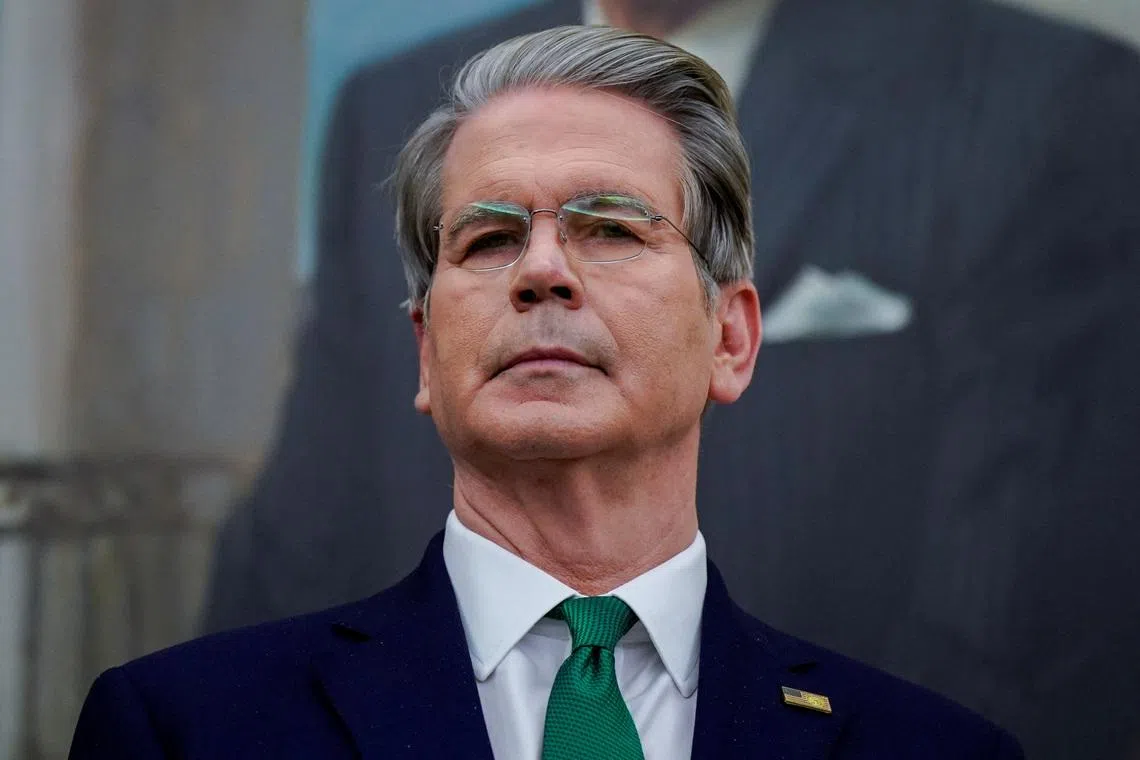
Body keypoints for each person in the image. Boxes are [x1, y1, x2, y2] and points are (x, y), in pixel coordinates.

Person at [205, 0, 1140, 757]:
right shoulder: (397, 100)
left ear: (736, 336)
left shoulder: (1045, 105)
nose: (542, 271)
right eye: (489, 237)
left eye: (612, 227)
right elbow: (309, 528)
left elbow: (1022, 612)